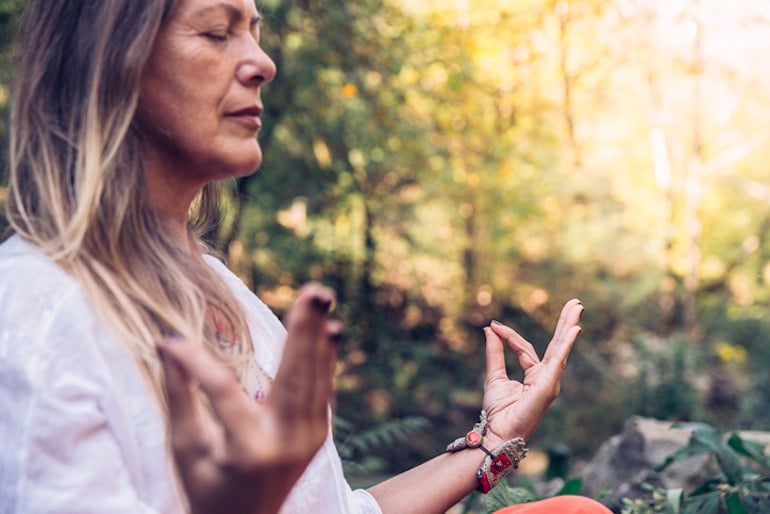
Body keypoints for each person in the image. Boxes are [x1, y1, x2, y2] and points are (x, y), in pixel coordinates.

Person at [0, 0, 611, 513]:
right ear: (107, 62)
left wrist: (495, 443)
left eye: (255, 33)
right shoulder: (37, 319)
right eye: (217, 33)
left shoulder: (215, 284)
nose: (262, 63)